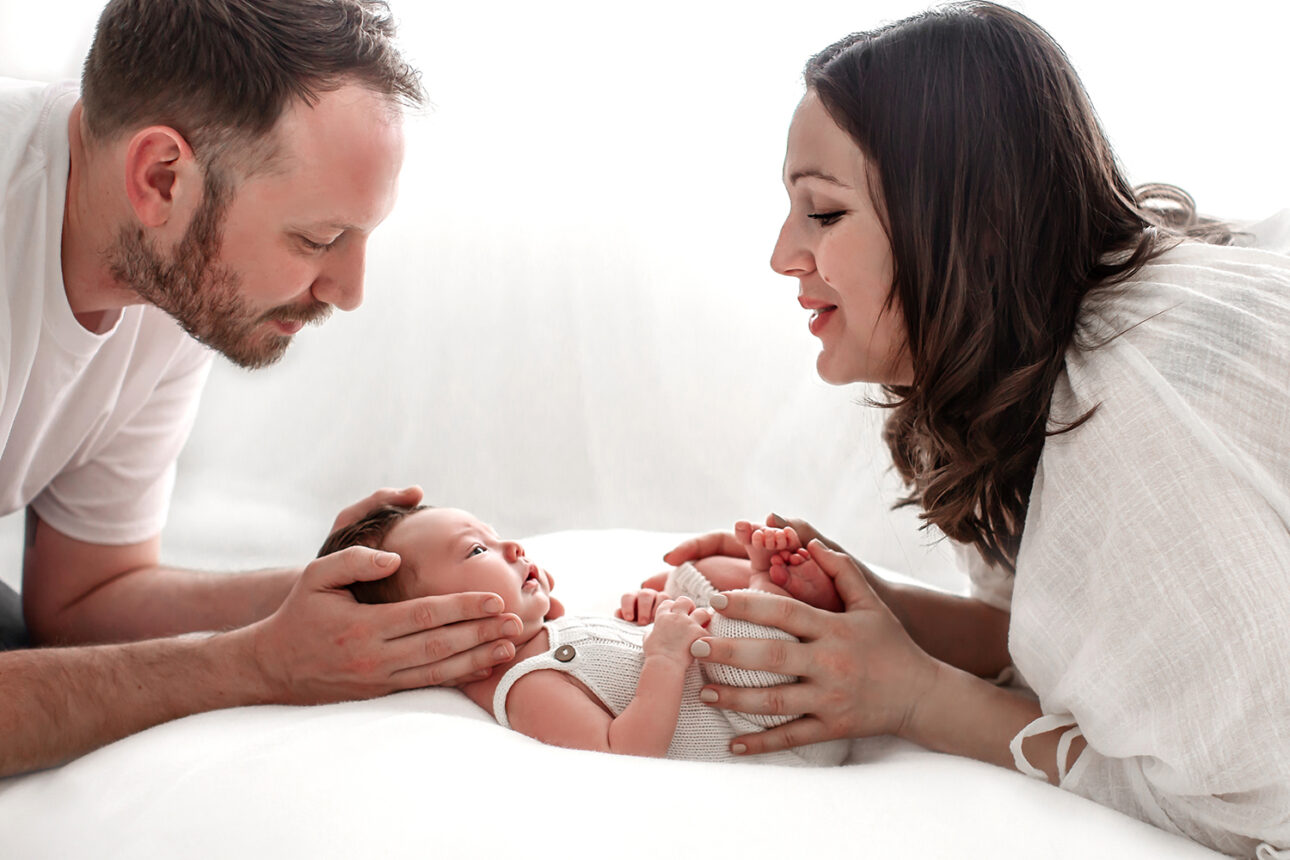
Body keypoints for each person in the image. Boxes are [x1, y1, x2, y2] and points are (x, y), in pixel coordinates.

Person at [664, 3, 1290, 856]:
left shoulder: (1128, 412)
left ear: (974, 224)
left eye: (824, 213)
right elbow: (1067, 642)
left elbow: (1256, 802)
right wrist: (871, 599)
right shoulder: (1012, 365)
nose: (782, 254)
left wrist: (919, 698)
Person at [0, 0, 519, 778]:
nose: (349, 291)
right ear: (161, 177)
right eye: (317, 239)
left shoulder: (162, 270)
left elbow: (84, 598)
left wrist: (375, 589)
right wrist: (251, 667)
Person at [317, 504, 849, 766]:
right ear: (431, 621)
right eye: (477, 550)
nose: (513, 548)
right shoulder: (528, 685)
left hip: (734, 676)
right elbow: (622, 753)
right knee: (733, 627)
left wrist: (645, 617)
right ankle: (778, 591)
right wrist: (664, 658)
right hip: (761, 720)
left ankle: (790, 597)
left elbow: (619, 662)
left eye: (497, 537)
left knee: (685, 575)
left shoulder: (550, 635)